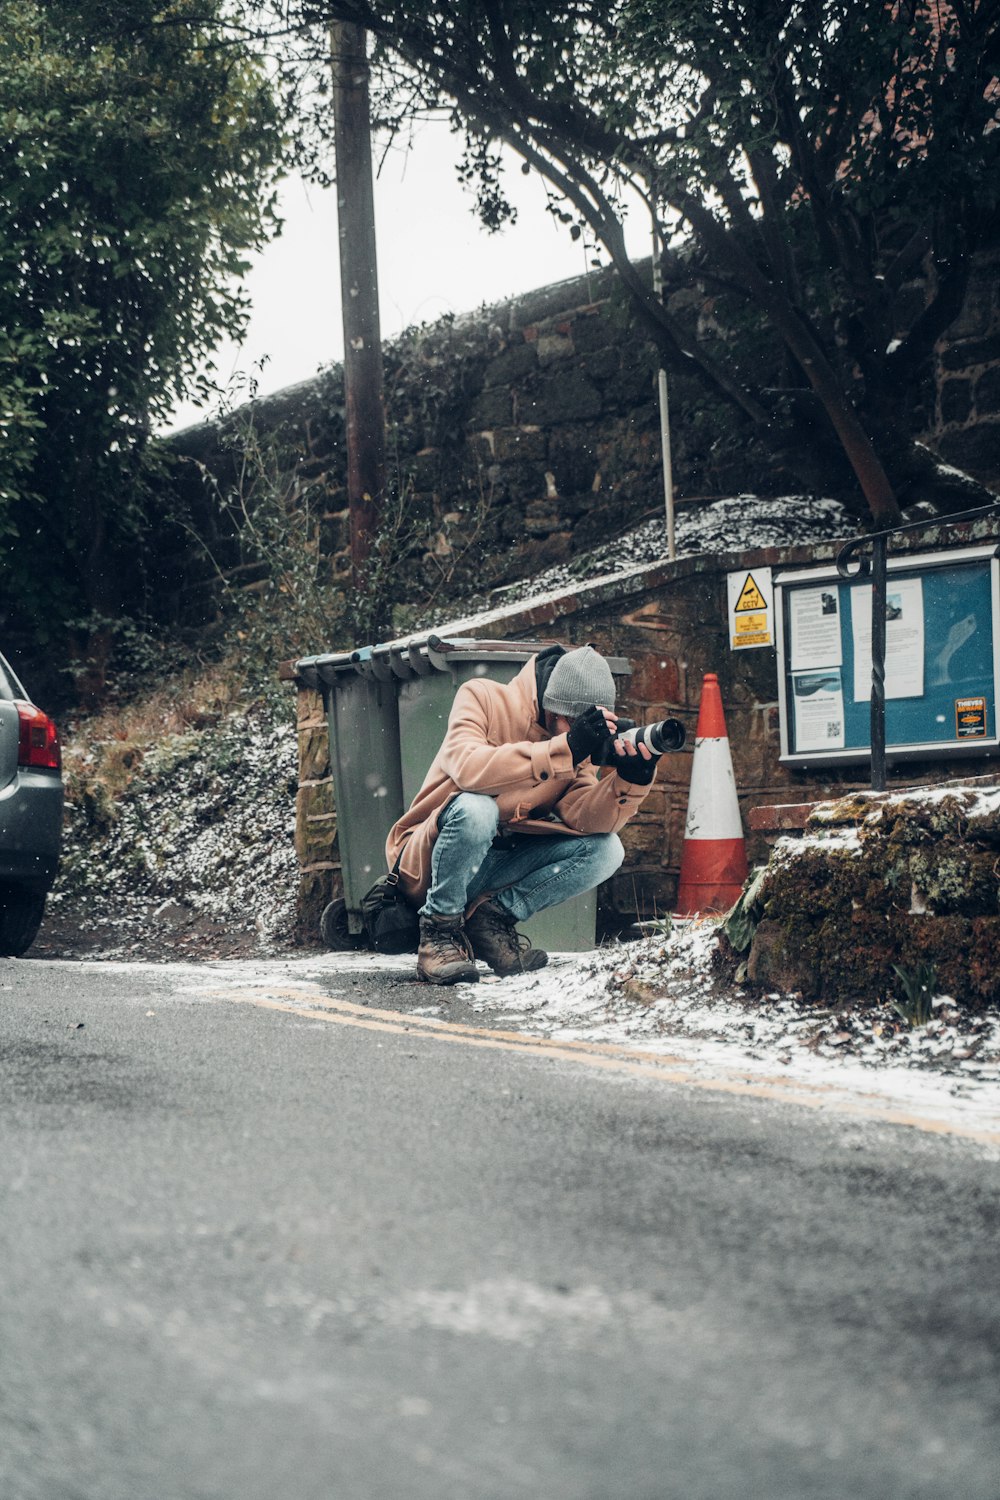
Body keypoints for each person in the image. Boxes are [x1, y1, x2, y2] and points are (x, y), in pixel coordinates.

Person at [385, 643, 660, 985]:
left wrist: (631, 780)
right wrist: (564, 748)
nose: (577, 735)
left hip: (492, 865)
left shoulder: (573, 743)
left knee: (606, 849)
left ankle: (491, 921)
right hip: (427, 859)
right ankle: (438, 934)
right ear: (551, 708)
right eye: (573, 724)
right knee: (477, 808)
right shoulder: (481, 696)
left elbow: (583, 817)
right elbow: (467, 768)